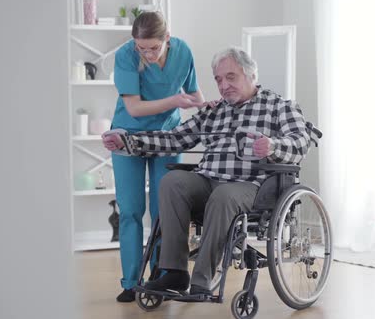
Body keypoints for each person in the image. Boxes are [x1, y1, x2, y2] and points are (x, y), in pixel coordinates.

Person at [103, 47, 311, 296]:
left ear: (251, 74)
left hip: (252, 186)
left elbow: (301, 142)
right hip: (209, 180)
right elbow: (173, 139)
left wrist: (273, 146)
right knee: (172, 181)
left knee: (224, 195)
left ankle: (201, 280)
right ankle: (174, 272)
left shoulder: (279, 106)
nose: (223, 85)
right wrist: (128, 141)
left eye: (230, 77)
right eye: (218, 79)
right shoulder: (215, 111)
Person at [108, 11, 206, 303]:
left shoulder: (183, 51)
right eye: (142, 47)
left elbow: (195, 94)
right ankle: (130, 281)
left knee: (165, 211)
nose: (147, 54)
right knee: (130, 210)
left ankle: (160, 276)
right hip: (128, 137)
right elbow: (135, 109)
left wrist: (206, 106)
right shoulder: (126, 55)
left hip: (167, 138)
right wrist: (175, 101)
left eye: (154, 47)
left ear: (167, 38)